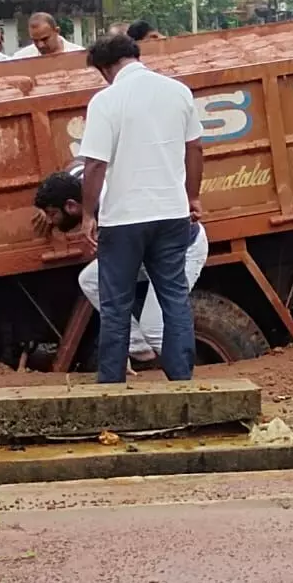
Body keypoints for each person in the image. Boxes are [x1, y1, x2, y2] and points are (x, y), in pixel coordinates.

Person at [76, 33, 203, 383]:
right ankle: (182, 380)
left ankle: (112, 385)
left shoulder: (106, 101)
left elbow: (95, 164)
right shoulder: (178, 91)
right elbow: (195, 148)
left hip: (124, 219)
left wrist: (87, 215)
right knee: (174, 299)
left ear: (105, 68)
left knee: (116, 305)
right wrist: (192, 196)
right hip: (172, 214)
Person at [33, 163, 209, 371]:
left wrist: (116, 346)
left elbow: (117, 279)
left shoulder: (113, 210)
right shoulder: (80, 182)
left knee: (153, 328)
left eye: (53, 214)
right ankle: (137, 347)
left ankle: (189, 378)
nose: (50, 221)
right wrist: (45, 207)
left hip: (182, 251)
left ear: (71, 206)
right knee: (90, 279)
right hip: (148, 251)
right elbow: (75, 167)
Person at [11, 12, 83, 59]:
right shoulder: (21, 58)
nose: (40, 45)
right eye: (35, 40)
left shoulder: (80, 55)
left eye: (44, 39)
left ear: (57, 31)